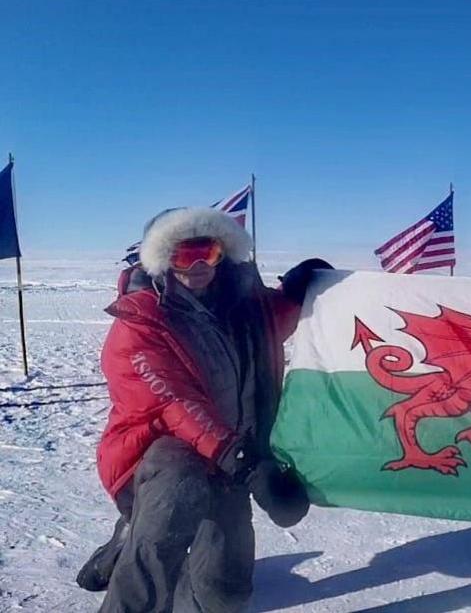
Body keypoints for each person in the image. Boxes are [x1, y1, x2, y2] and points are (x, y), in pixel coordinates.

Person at [76, 206, 332, 612]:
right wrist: (247, 463)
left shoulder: (243, 307)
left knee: (223, 593)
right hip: (156, 462)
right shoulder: (139, 322)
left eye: (208, 253)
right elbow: (174, 403)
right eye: (182, 255)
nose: (197, 265)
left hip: (229, 460)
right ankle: (133, 577)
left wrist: (298, 293)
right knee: (173, 499)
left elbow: (272, 325)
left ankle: (141, 540)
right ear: (162, 260)